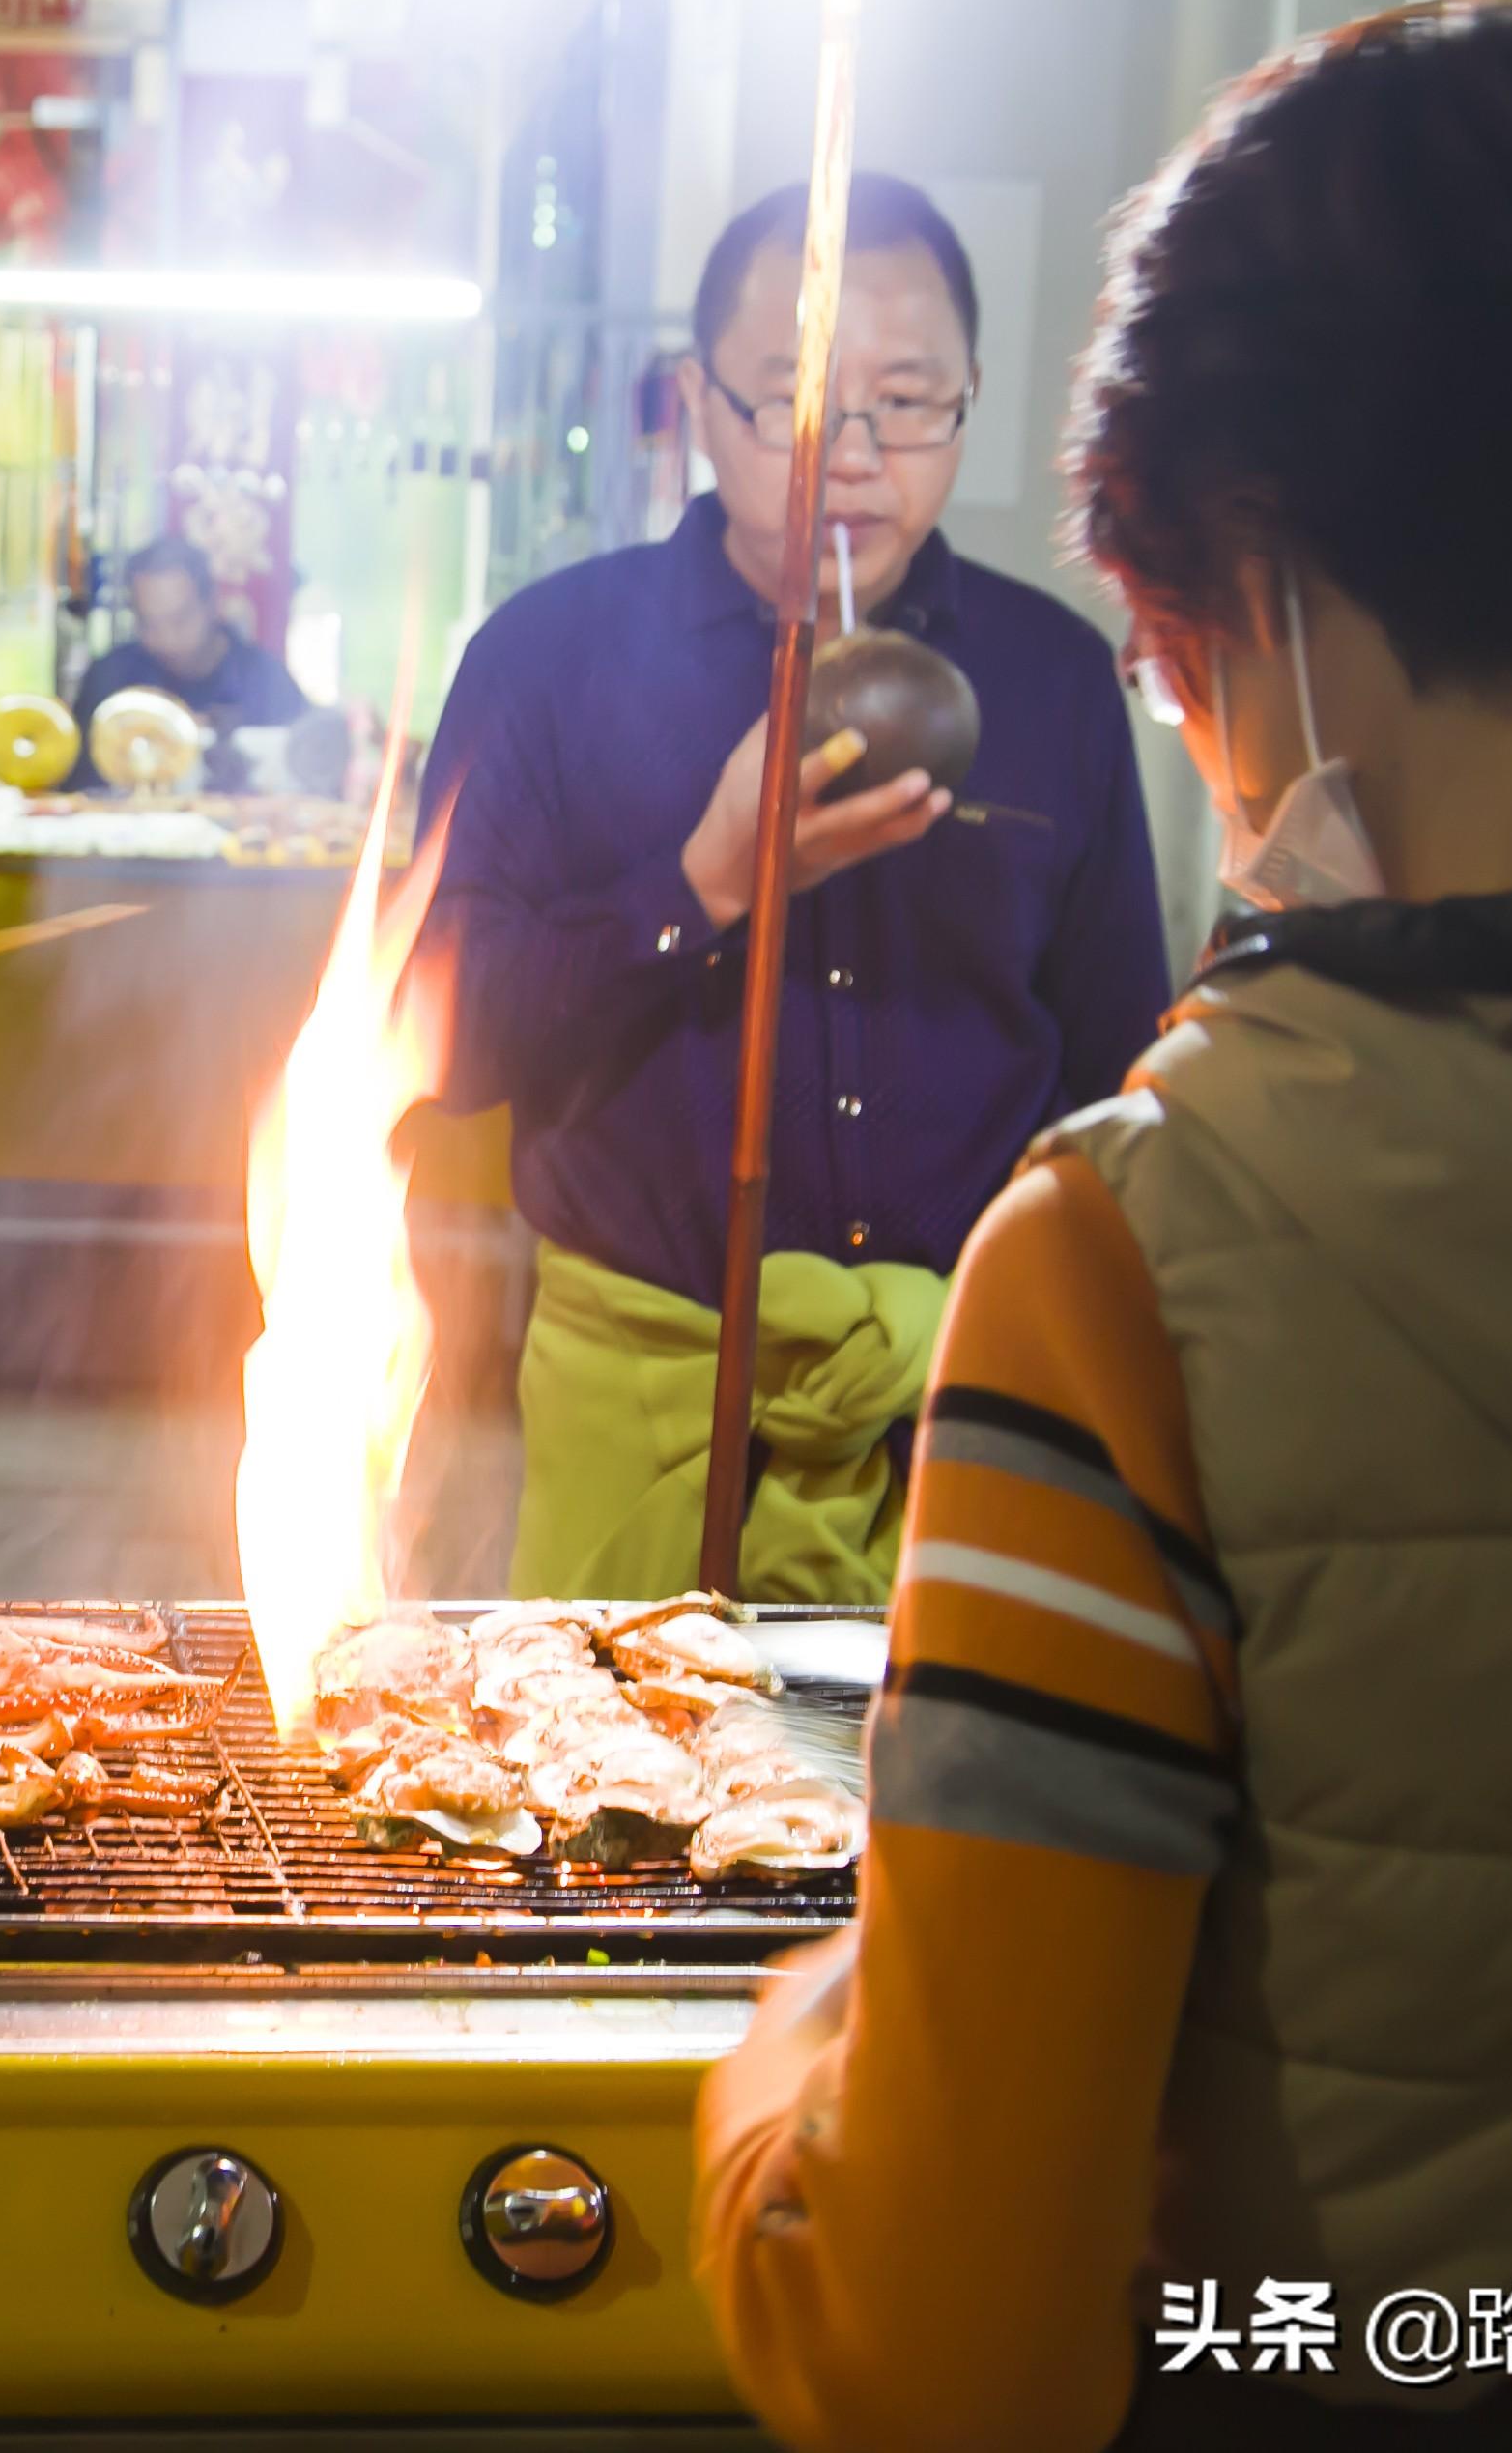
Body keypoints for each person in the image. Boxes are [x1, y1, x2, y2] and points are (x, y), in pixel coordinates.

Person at [696, 5, 1512, 2449]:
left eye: (1171, 670)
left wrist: (780, 2065)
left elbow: (946, 2362)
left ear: (1251, 596)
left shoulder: (1141, 1262)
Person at [420, 173, 1168, 1606]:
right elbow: (437, 1042)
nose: (853, 454)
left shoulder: (1054, 681)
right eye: (794, 399)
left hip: (959, 1404)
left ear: (969, 406)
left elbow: (1116, 1077)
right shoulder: (550, 660)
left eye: (910, 401)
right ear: (698, 403)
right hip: (647, 1399)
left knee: (929, 1825)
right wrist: (702, 882)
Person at [63, 535, 309, 789]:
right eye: (149, 624)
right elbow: (77, 789)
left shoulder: (264, 678)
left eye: (180, 620)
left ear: (212, 603)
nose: (167, 640)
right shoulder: (110, 678)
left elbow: (308, 771)